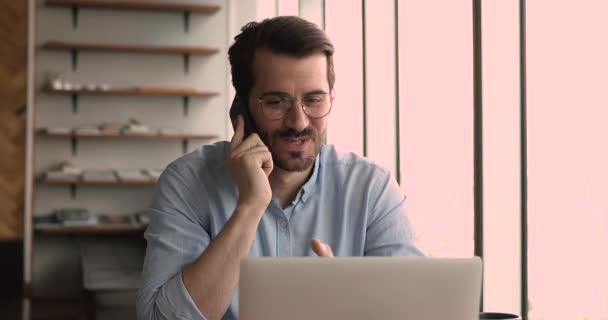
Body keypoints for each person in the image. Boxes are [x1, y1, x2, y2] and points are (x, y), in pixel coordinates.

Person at [136, 16, 422, 320]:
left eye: (314, 100)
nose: (298, 122)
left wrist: (347, 301)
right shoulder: (188, 181)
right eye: (276, 103)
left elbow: (418, 310)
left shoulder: (370, 188)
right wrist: (250, 206)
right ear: (242, 110)